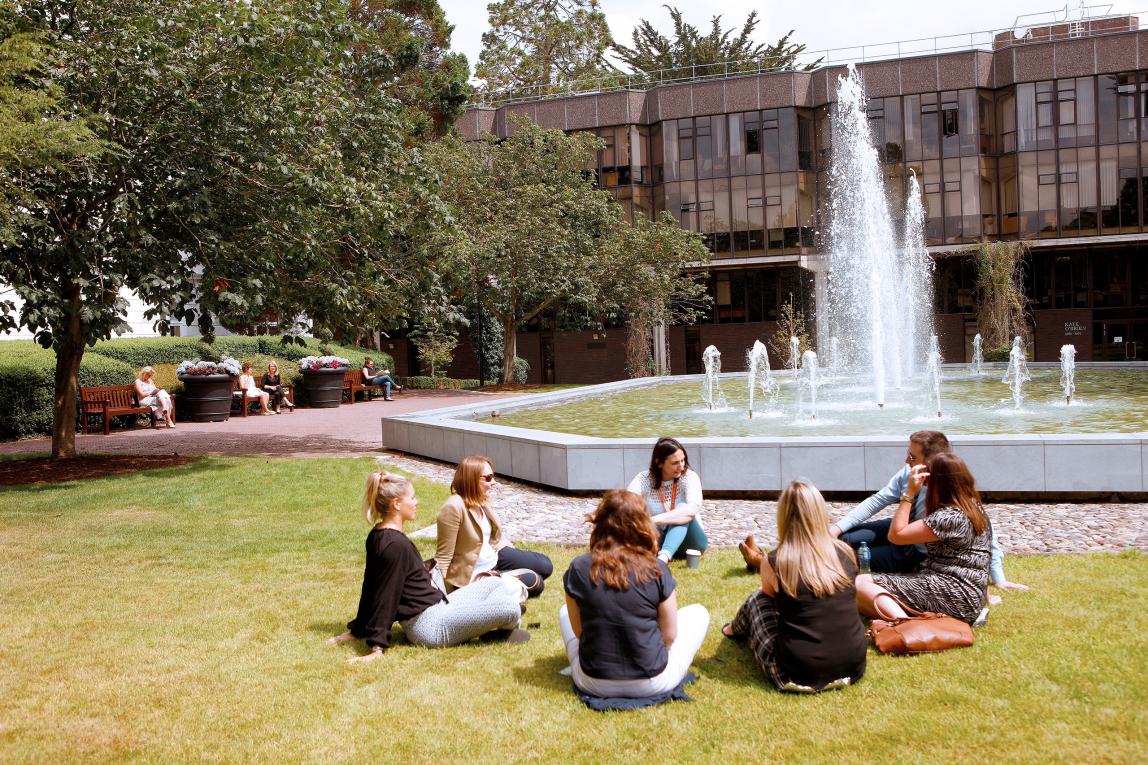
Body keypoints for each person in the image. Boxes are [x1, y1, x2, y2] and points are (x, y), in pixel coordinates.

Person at [740, 430, 1028, 599]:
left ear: (931, 461)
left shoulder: (950, 486)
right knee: (844, 539)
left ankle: (768, 563)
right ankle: (775, 557)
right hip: (899, 529)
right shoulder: (908, 473)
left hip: (913, 552)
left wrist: (998, 577)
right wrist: (837, 528)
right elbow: (877, 501)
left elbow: (983, 531)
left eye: (912, 456)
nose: (906, 460)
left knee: (843, 558)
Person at [330, 471, 528, 662]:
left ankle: (489, 626)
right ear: (396, 504)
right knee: (510, 607)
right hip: (429, 626)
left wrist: (357, 630)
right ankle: (498, 628)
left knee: (496, 583)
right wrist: (377, 646)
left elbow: (370, 584)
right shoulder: (395, 546)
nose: (416, 502)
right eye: (412, 498)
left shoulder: (378, 534)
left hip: (439, 606)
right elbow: (385, 593)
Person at [560, 489, 710, 697]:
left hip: (592, 681)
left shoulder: (579, 567)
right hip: (653, 681)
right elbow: (669, 636)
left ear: (600, 524)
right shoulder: (657, 568)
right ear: (643, 525)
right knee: (699, 613)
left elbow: (579, 633)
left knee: (564, 612)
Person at [723, 479, 866, 693]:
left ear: (783, 516)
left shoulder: (775, 561)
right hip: (852, 665)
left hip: (793, 672)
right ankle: (734, 629)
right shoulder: (846, 552)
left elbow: (768, 597)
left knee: (758, 600)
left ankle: (733, 629)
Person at [855, 452, 993, 625]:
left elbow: (896, 535)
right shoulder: (974, 508)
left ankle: (905, 625)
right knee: (861, 597)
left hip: (954, 596)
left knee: (861, 583)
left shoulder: (949, 517)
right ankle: (917, 617)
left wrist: (909, 493)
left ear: (937, 483)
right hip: (968, 595)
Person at [435, 456, 553, 598]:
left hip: (495, 556)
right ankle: (493, 587)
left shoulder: (481, 499)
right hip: (474, 575)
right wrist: (438, 596)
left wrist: (506, 547)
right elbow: (443, 556)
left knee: (545, 565)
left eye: (493, 476)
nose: (494, 482)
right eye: (488, 478)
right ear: (472, 479)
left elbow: (489, 536)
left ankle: (501, 583)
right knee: (536, 582)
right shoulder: (453, 507)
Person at [626, 437, 708, 563]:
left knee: (683, 509)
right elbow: (626, 504)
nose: (681, 466)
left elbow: (692, 509)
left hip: (691, 543)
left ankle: (663, 558)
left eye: (683, 460)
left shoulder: (689, 477)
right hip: (657, 538)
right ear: (659, 463)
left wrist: (652, 520)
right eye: (675, 463)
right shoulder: (644, 478)